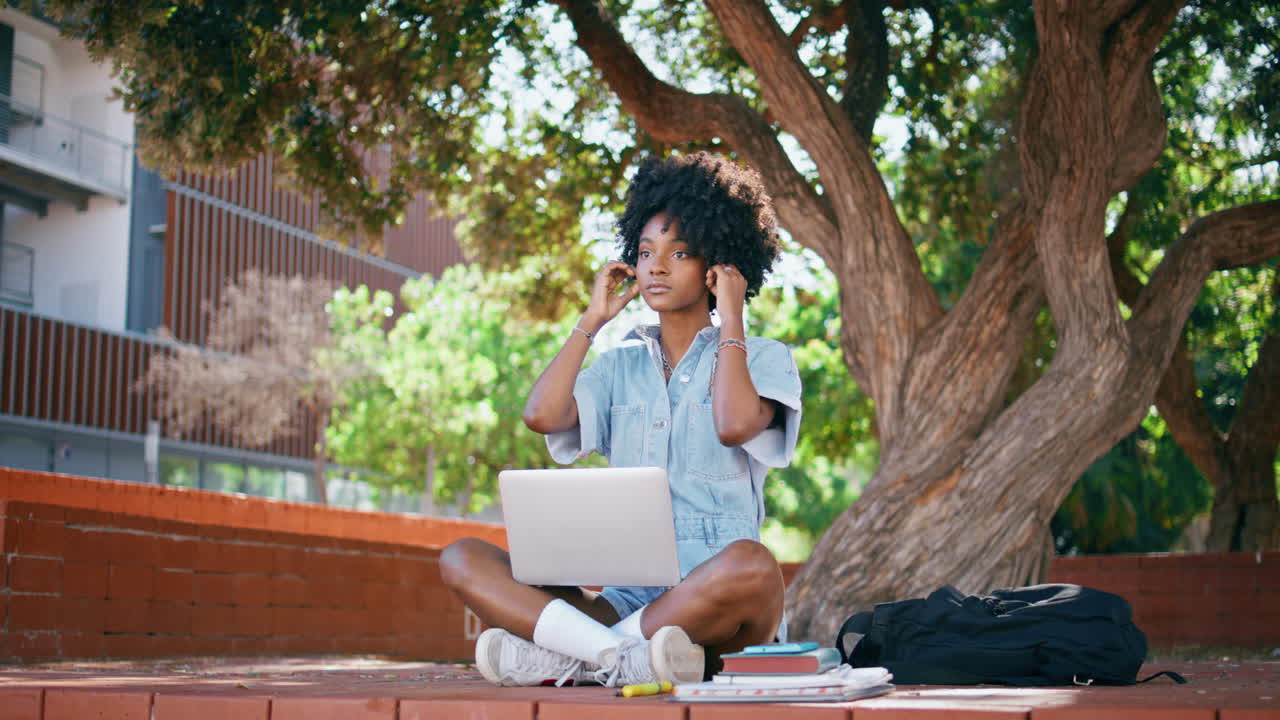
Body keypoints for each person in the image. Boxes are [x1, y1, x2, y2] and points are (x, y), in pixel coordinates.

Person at [440, 152, 802, 688]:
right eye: (645, 252)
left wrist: (733, 317)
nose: (655, 267)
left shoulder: (762, 356)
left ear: (717, 267)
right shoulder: (617, 367)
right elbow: (541, 415)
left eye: (679, 253)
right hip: (626, 601)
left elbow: (732, 424)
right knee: (462, 557)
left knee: (753, 563)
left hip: (718, 608)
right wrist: (592, 320)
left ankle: (576, 657)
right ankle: (616, 656)